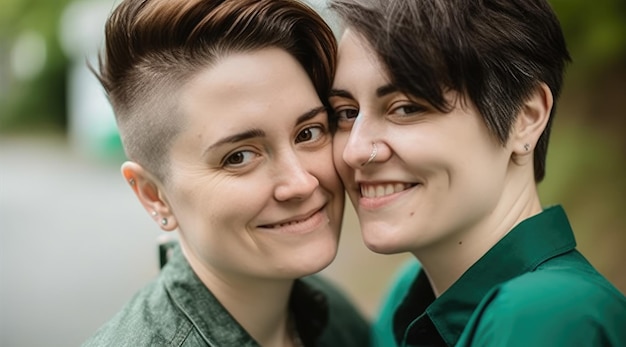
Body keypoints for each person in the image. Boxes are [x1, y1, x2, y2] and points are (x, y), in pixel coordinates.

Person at [327, 0, 626, 346]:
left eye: (406, 108)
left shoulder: (547, 315)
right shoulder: (410, 297)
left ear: (525, 117)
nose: (355, 151)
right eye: (346, 113)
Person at [82, 0, 370, 346]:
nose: (301, 183)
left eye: (308, 133)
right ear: (153, 196)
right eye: (239, 157)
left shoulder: (334, 318)